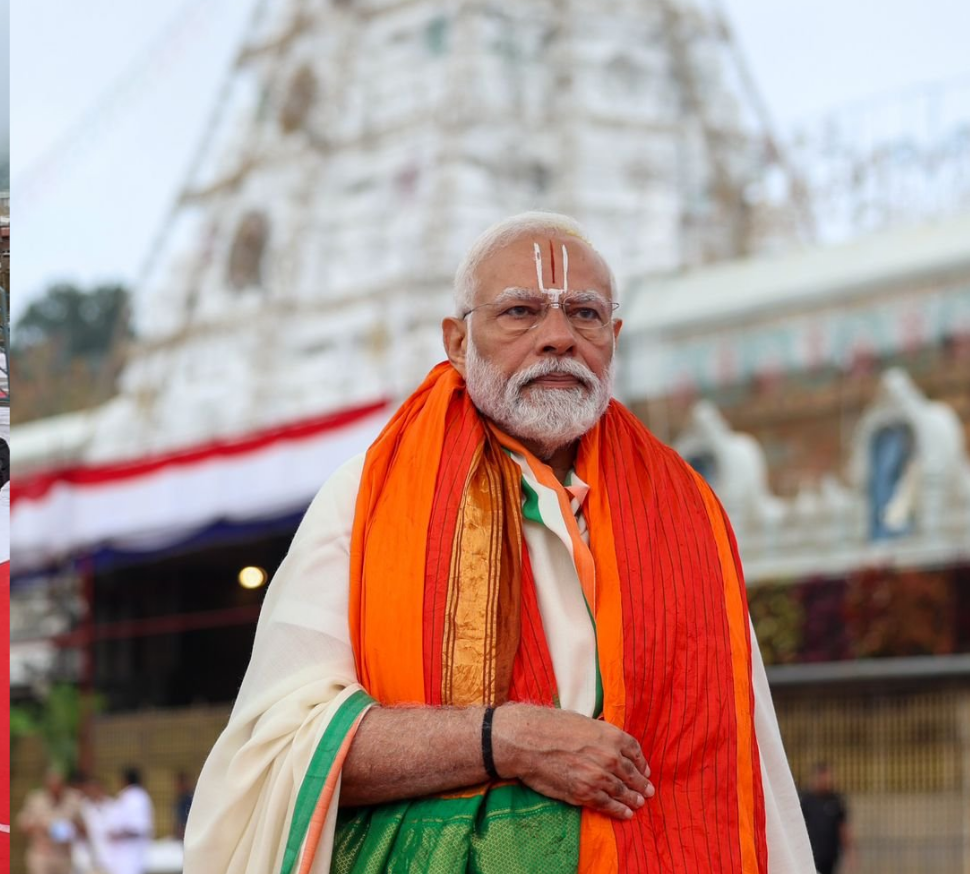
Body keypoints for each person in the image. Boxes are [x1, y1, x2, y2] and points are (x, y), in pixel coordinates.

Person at [185, 211, 817, 872]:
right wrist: (505, 739)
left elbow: (748, 770)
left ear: (615, 337)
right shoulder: (366, 500)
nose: (557, 339)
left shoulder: (688, 515)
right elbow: (282, 754)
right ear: (457, 342)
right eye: (520, 312)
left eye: (584, 314)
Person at [17, 769, 84, 874]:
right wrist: (42, 829)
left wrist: (70, 829)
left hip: (64, 854)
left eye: (58, 785)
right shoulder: (35, 799)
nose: (55, 788)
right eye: (52, 785)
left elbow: (84, 826)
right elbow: (23, 825)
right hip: (42, 854)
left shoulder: (74, 799)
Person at [100, 769, 153, 874]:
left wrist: (117, 834)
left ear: (125, 780)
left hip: (130, 857)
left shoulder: (136, 797)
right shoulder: (128, 796)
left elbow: (138, 828)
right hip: (121, 858)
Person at [799, 763, 850, 873]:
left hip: (830, 857)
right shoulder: (806, 800)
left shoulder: (836, 800)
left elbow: (843, 828)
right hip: (810, 855)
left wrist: (850, 854)